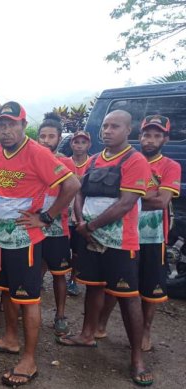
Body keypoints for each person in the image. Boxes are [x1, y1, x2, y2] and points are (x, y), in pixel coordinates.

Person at [0, 102, 79, 387]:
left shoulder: (37, 153)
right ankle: (11, 339)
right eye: (2, 125)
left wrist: (46, 217)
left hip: (25, 240)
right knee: (7, 292)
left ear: (24, 126)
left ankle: (29, 358)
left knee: (28, 297)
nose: (6, 130)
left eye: (12, 124)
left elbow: (72, 184)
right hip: (1, 237)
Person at [57, 110, 153, 387]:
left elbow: (126, 203)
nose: (108, 130)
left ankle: (136, 358)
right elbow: (81, 192)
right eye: (106, 126)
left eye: (115, 126)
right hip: (91, 237)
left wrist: (91, 226)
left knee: (128, 297)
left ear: (128, 130)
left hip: (121, 243)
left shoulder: (135, 161)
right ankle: (87, 335)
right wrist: (80, 221)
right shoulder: (96, 160)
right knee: (93, 286)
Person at [96, 115, 180, 354]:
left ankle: (145, 330)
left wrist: (128, 197)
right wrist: (126, 198)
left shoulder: (170, 166)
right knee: (115, 281)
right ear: (138, 135)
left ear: (165, 138)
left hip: (152, 236)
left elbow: (162, 202)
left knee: (150, 286)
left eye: (156, 135)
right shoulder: (128, 160)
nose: (150, 140)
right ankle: (100, 323)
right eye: (146, 134)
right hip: (122, 233)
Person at [36, 112, 78, 336]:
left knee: (59, 273)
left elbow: (71, 192)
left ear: (59, 138)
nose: (45, 140)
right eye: (42, 136)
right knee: (34, 271)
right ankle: (30, 308)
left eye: (51, 136)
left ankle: (60, 314)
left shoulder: (65, 161)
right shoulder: (32, 159)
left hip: (57, 228)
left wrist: (50, 215)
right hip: (34, 226)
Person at [67, 130, 92, 296]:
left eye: (83, 142)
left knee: (77, 250)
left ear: (88, 144)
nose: (79, 146)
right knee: (57, 247)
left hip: (81, 212)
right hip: (63, 211)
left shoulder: (93, 163)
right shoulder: (64, 162)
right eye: (76, 142)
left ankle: (73, 279)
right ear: (71, 144)